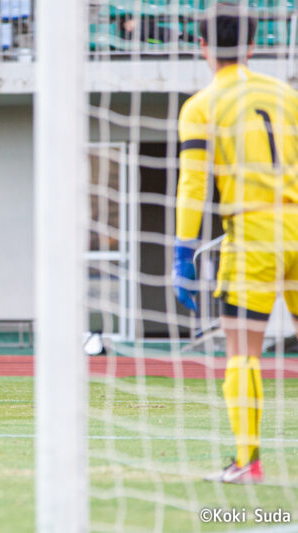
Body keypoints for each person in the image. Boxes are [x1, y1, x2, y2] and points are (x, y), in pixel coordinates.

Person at [173, 3, 298, 484]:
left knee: (243, 352)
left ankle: (248, 462)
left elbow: (193, 185)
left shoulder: (202, 105)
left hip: (254, 236)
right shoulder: (287, 94)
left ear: (202, 48)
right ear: (251, 46)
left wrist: (185, 253)